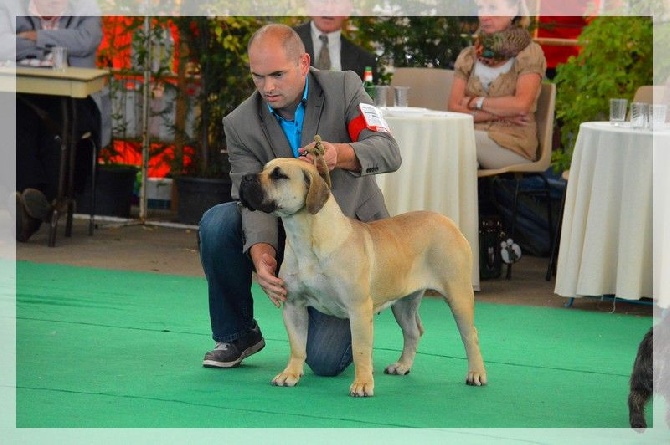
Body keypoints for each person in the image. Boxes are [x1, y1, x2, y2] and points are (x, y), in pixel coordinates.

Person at [198, 24, 401, 375]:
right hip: (288, 233)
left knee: (324, 361)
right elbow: (250, 200)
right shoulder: (240, 123)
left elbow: (388, 151)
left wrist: (342, 153)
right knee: (218, 222)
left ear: (304, 63)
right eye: (258, 77)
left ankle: (352, 302)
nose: (268, 87)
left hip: (348, 239)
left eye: (277, 74)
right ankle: (237, 333)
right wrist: (262, 257)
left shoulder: (345, 89)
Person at [12, 0, 105, 242]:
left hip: (74, 99)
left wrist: (35, 37)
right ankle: (36, 202)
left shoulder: (86, 9)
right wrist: (58, 42)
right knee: (17, 119)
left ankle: (35, 201)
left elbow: (86, 41)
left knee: (59, 125)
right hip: (25, 95)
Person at [448, 0, 547, 169]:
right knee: (447, 142)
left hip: (513, 142)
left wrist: (475, 102)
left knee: (450, 143)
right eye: (481, 8)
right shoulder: (469, 55)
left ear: (513, 11)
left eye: (492, 8)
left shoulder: (529, 53)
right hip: (471, 134)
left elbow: (521, 106)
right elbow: (454, 107)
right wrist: (501, 114)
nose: (484, 16)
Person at [294, 0, 376, 79]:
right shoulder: (285, 41)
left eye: (337, 2)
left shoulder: (365, 61)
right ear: (309, 6)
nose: (328, 9)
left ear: (348, 10)